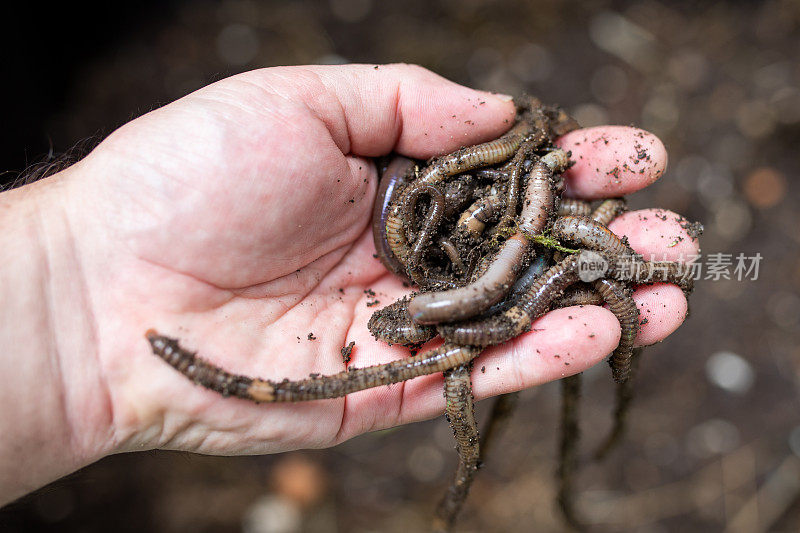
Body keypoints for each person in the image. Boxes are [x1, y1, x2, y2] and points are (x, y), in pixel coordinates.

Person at [0, 63, 697, 506]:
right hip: (476, 256)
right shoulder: (437, 245)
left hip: (504, 254)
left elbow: (513, 235)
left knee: (595, 279)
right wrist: (69, 278)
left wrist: (68, 280)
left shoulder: (494, 221)